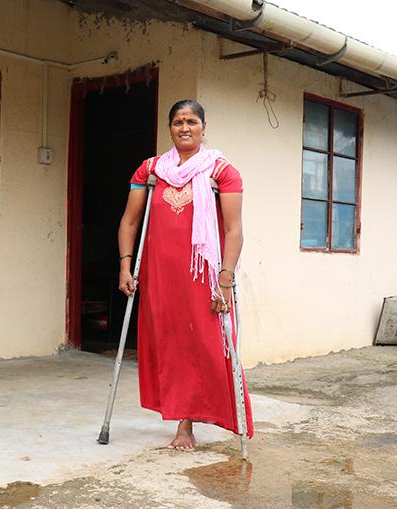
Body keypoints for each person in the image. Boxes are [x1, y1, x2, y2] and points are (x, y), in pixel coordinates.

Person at [117, 99, 254, 450]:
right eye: (178, 122)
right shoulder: (150, 170)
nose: (184, 127)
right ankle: (184, 423)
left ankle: (225, 413)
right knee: (172, 342)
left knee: (206, 344)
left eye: (191, 121)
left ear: (203, 128)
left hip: (205, 276)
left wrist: (226, 278)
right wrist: (125, 263)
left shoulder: (222, 171)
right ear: (170, 128)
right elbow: (130, 221)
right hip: (161, 274)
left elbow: (234, 230)